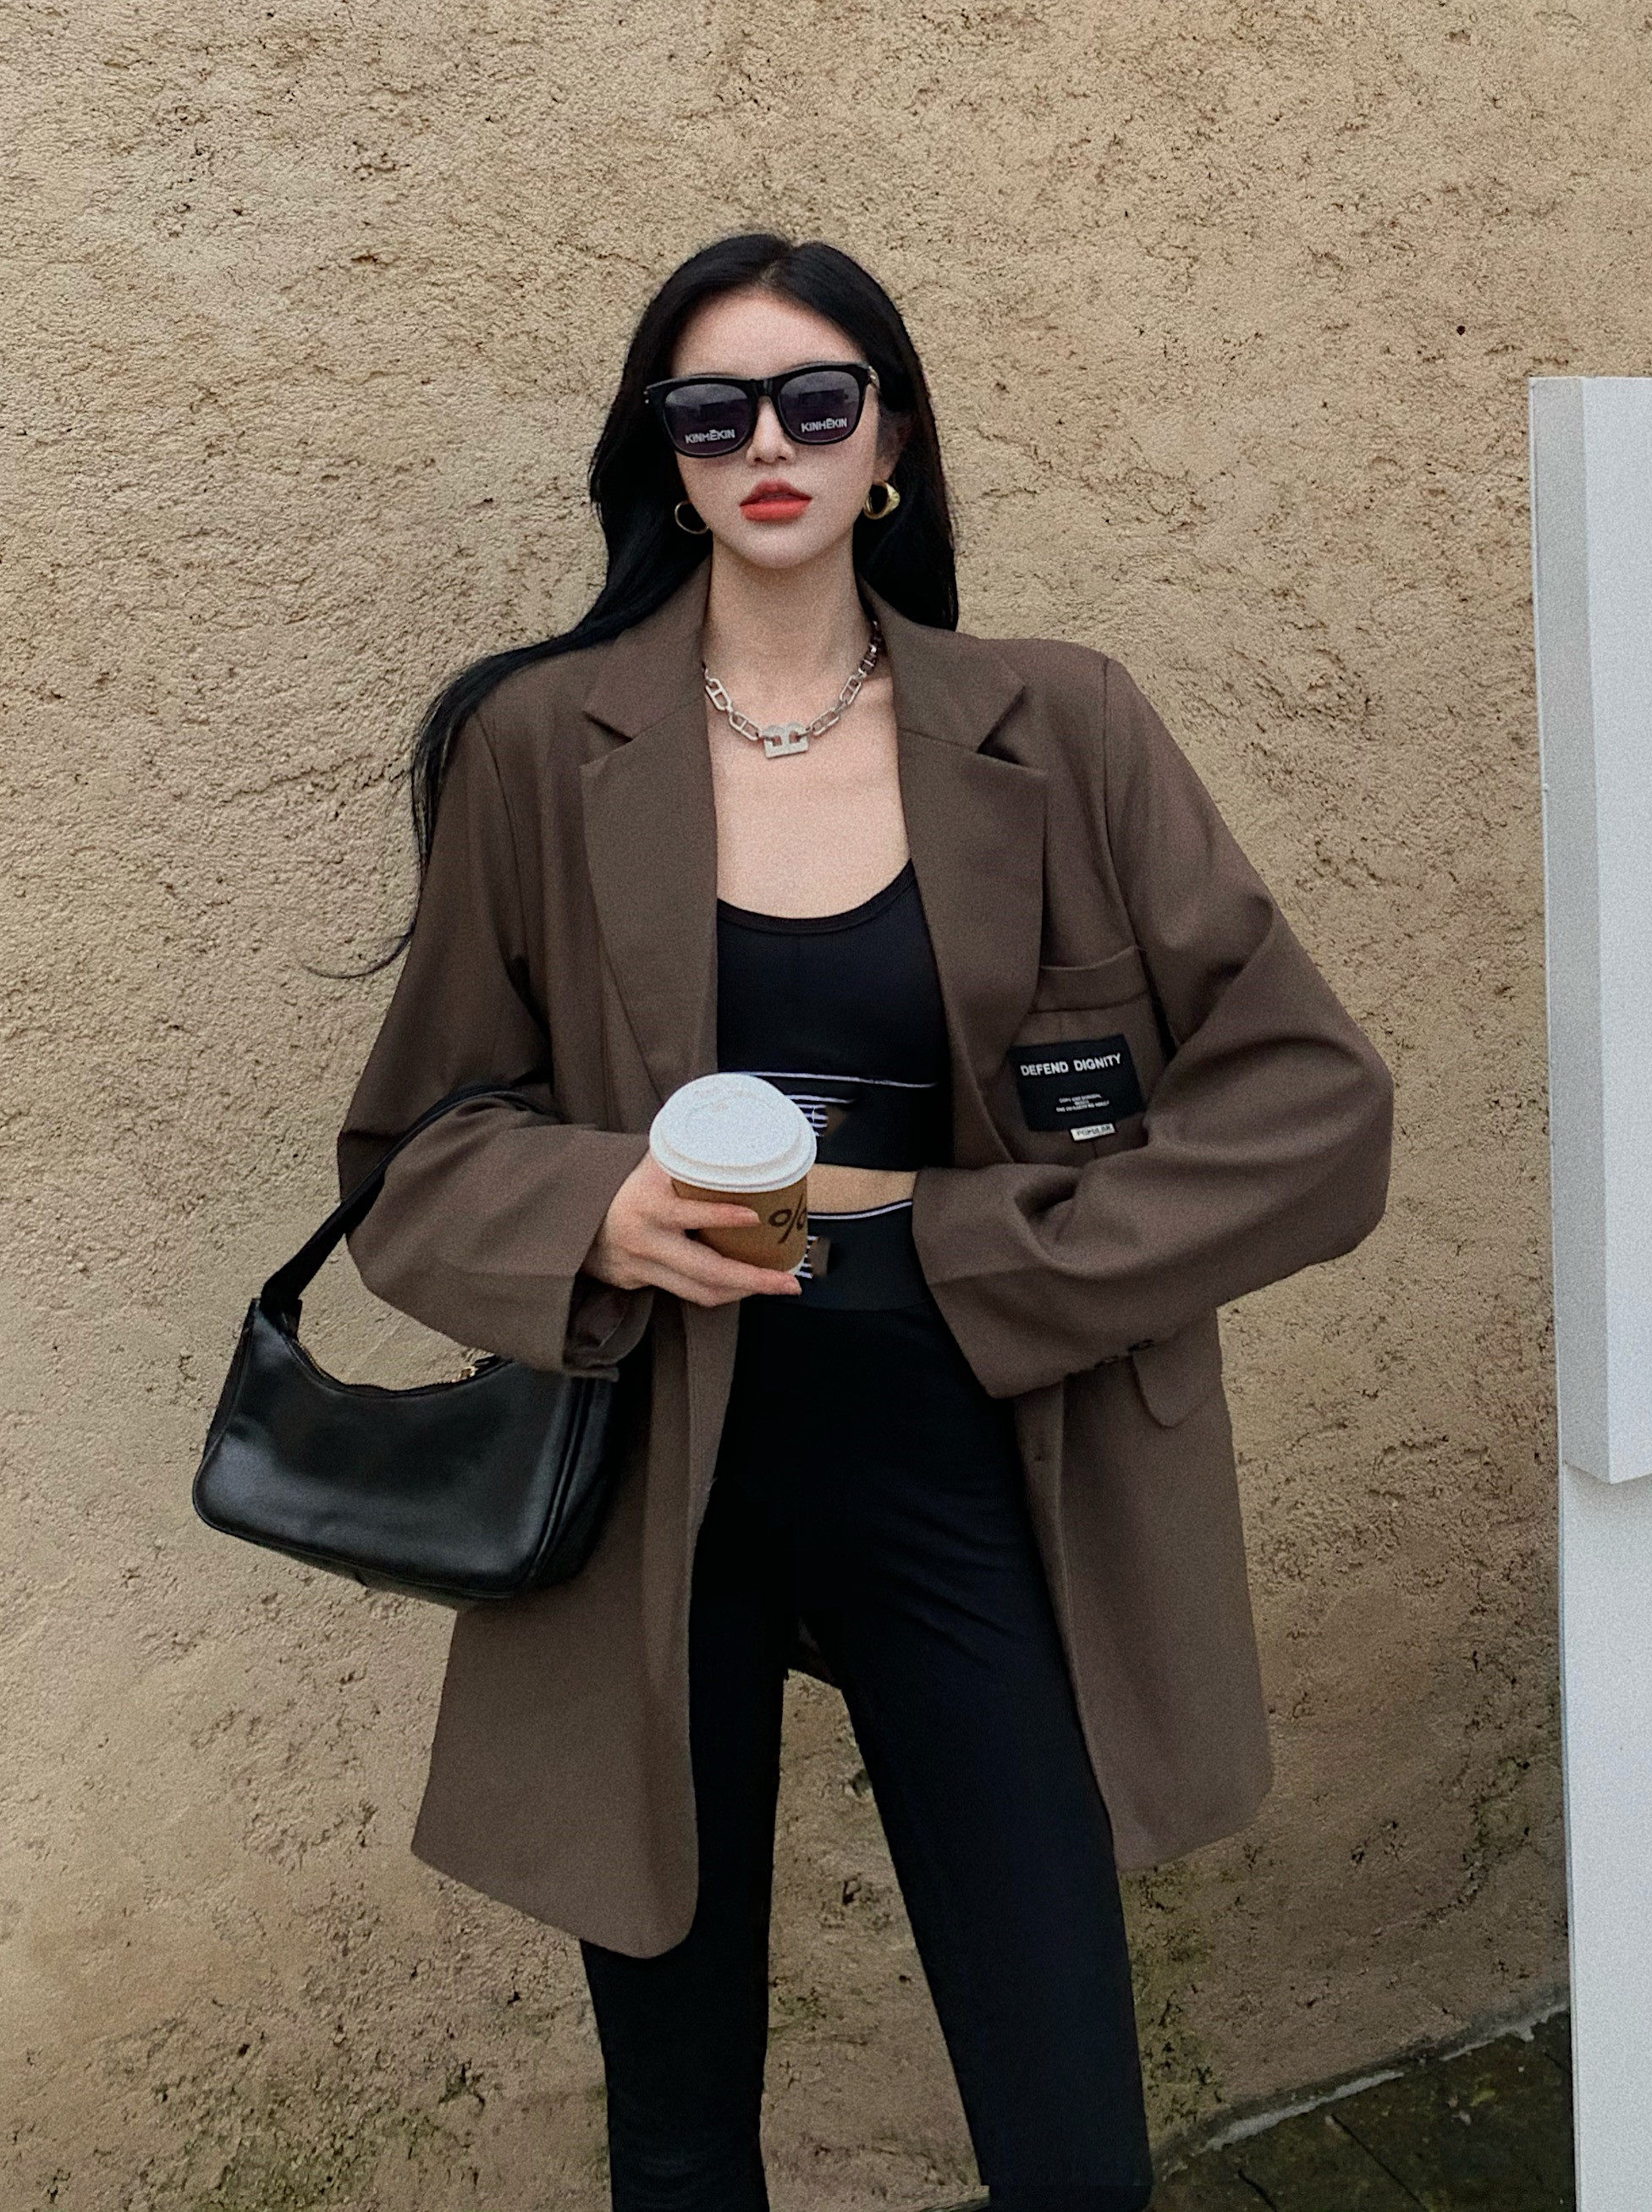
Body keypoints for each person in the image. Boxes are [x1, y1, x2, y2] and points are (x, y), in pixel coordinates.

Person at [335, 231, 1396, 2212]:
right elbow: (416, 1148)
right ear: (661, 457)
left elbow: (1314, 1110)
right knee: (678, 2131)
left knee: (1071, 2139)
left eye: (815, 401)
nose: (767, 444)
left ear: (887, 442)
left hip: (963, 1424)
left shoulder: (1059, 726)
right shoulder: (540, 745)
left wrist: (991, 1258)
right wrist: (591, 1205)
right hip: (658, 1449)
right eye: (710, 408)